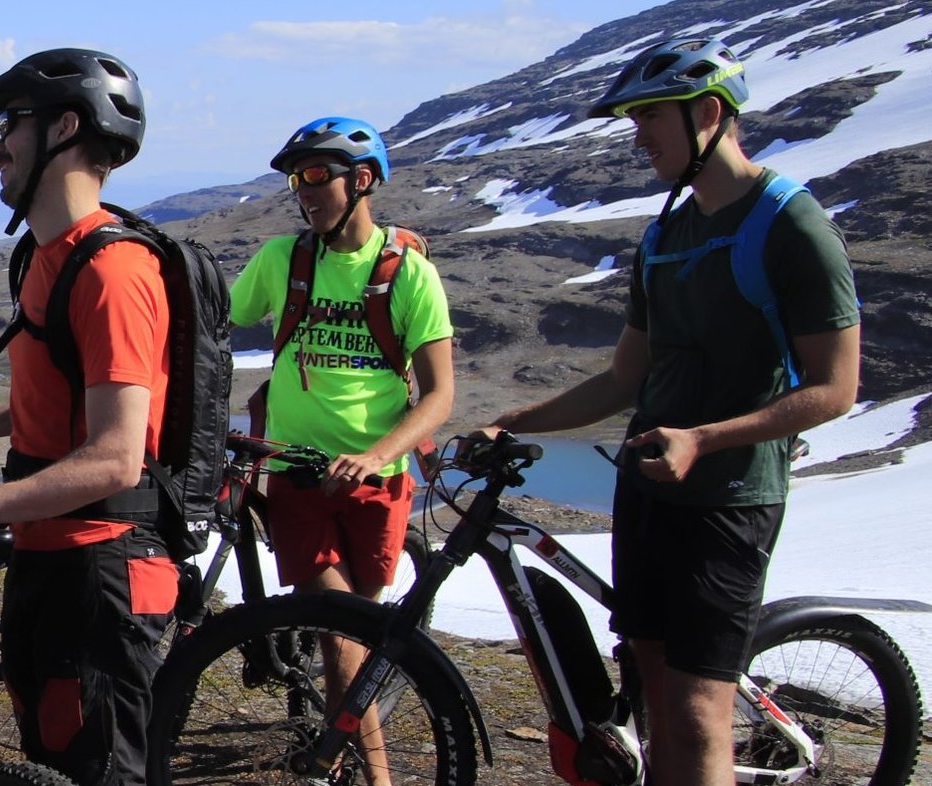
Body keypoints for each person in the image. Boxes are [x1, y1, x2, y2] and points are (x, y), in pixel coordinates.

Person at [485, 39, 858, 786]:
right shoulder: (665, 233)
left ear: (709, 114)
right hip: (648, 491)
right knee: (653, 704)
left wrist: (703, 439)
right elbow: (626, 377)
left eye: (650, 116)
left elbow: (833, 388)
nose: (636, 136)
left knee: (694, 717)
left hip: (727, 500)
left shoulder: (791, 225)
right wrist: (510, 423)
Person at [0, 48, 171, 785]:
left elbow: (116, 456)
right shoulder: (50, 254)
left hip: (100, 564)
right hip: (50, 552)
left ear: (67, 126)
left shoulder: (113, 272)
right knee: (47, 755)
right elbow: (66, 390)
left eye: (10, 122)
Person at [229, 116, 455, 785]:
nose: (301, 190)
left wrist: (375, 453)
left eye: (314, 175)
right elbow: (223, 316)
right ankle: (371, 778)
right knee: (339, 637)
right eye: (296, 177)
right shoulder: (282, 260)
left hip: (376, 480)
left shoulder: (408, 274)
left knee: (358, 633)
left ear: (361, 181)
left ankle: (342, 756)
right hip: (298, 476)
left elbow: (438, 395)